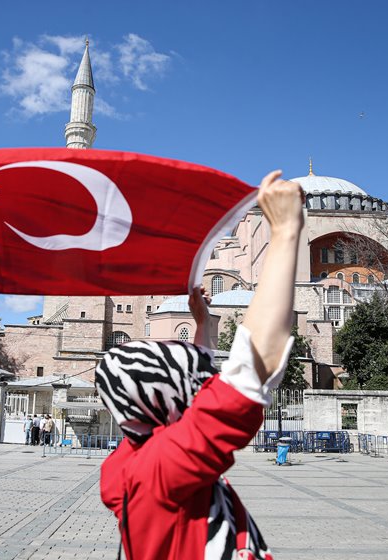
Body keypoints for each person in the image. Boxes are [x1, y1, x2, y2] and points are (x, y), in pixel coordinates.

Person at [96, 170, 304, 560]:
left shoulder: (134, 455)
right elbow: (251, 369)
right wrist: (287, 232)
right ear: (163, 399)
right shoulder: (160, 468)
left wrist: (204, 323)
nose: (204, 382)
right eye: (187, 379)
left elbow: (199, 384)